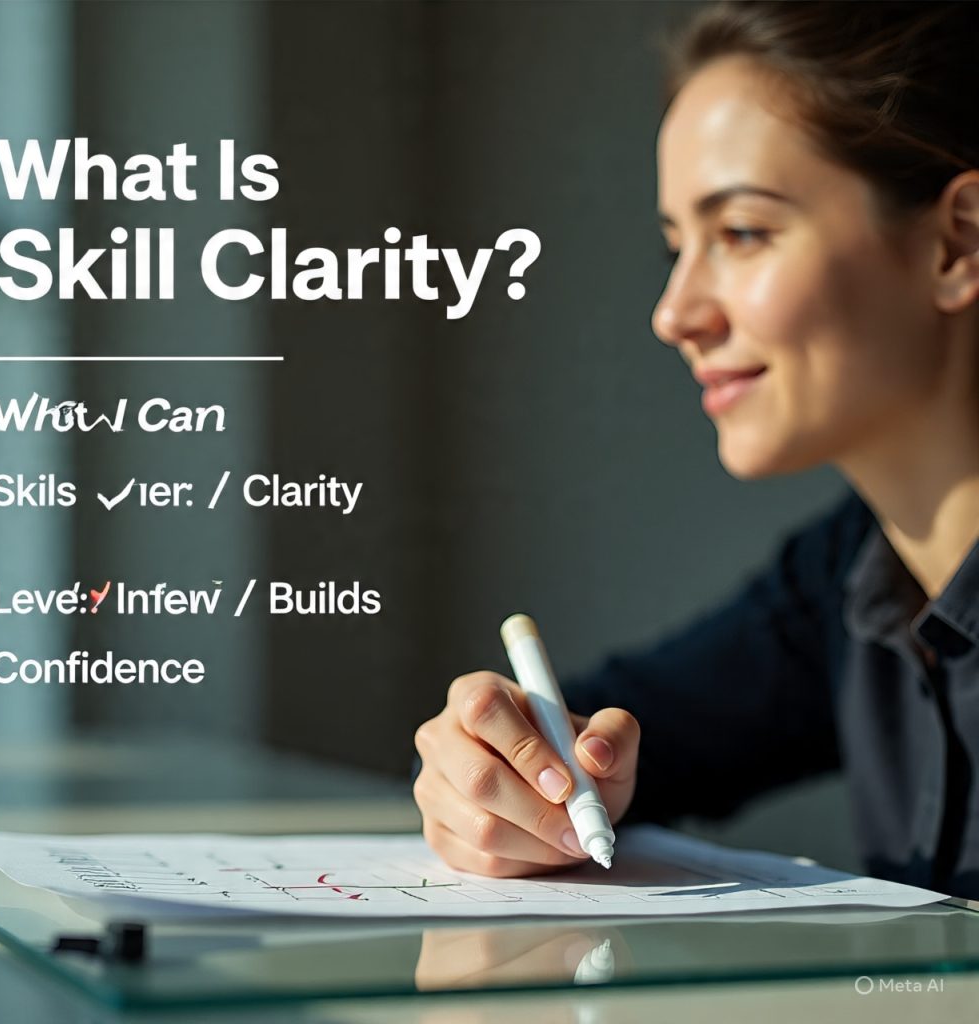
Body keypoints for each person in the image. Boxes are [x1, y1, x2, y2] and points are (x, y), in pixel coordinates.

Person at [412, 0, 979, 900]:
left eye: (743, 233)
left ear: (959, 240)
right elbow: (619, 729)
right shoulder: (847, 574)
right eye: (679, 245)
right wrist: (495, 767)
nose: (675, 315)